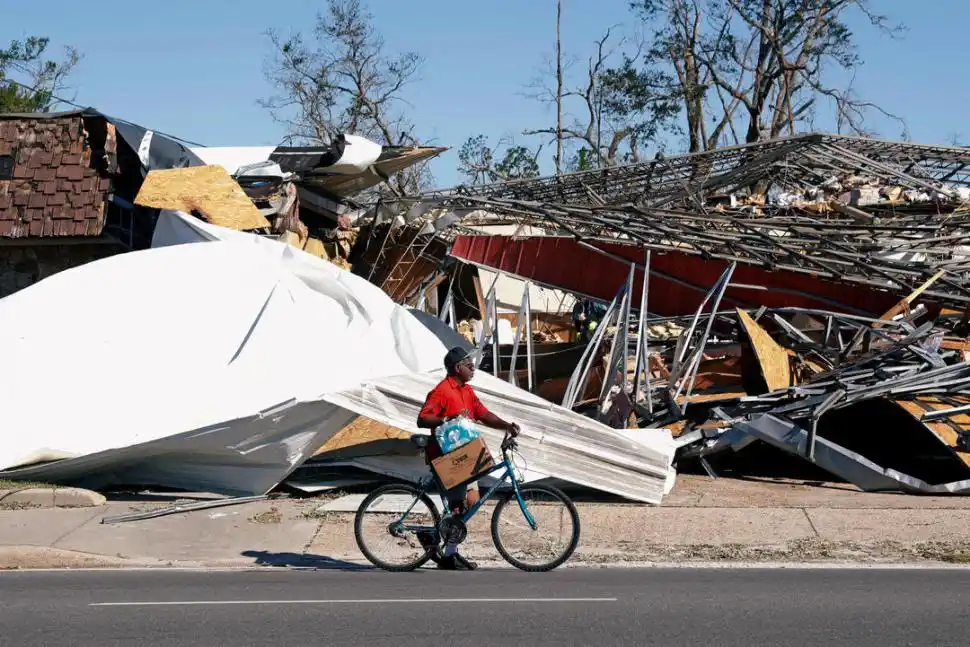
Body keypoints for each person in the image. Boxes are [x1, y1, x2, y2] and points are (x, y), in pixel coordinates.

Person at [416, 346, 520, 571]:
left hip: (465, 455)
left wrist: (506, 425)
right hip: (446, 458)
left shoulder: (466, 391)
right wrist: (446, 418)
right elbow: (423, 418)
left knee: (471, 502)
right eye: (469, 365)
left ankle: (448, 551)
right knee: (456, 505)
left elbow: (482, 413)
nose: (474, 369)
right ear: (457, 367)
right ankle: (444, 550)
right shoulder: (442, 391)